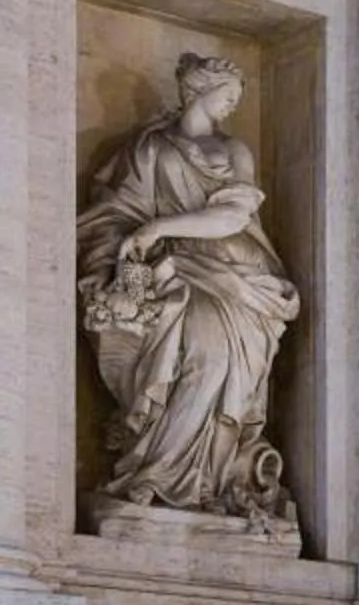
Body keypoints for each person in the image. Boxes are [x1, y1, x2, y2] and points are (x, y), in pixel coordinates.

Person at [76, 53, 299, 528]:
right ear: (199, 90)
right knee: (193, 347)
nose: (233, 103)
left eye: (239, 97)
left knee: (220, 358)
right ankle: (157, 472)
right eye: (227, 94)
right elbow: (115, 212)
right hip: (172, 271)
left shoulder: (234, 150)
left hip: (233, 270)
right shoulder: (148, 149)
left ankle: (207, 482)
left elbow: (236, 216)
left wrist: (158, 229)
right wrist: (135, 246)